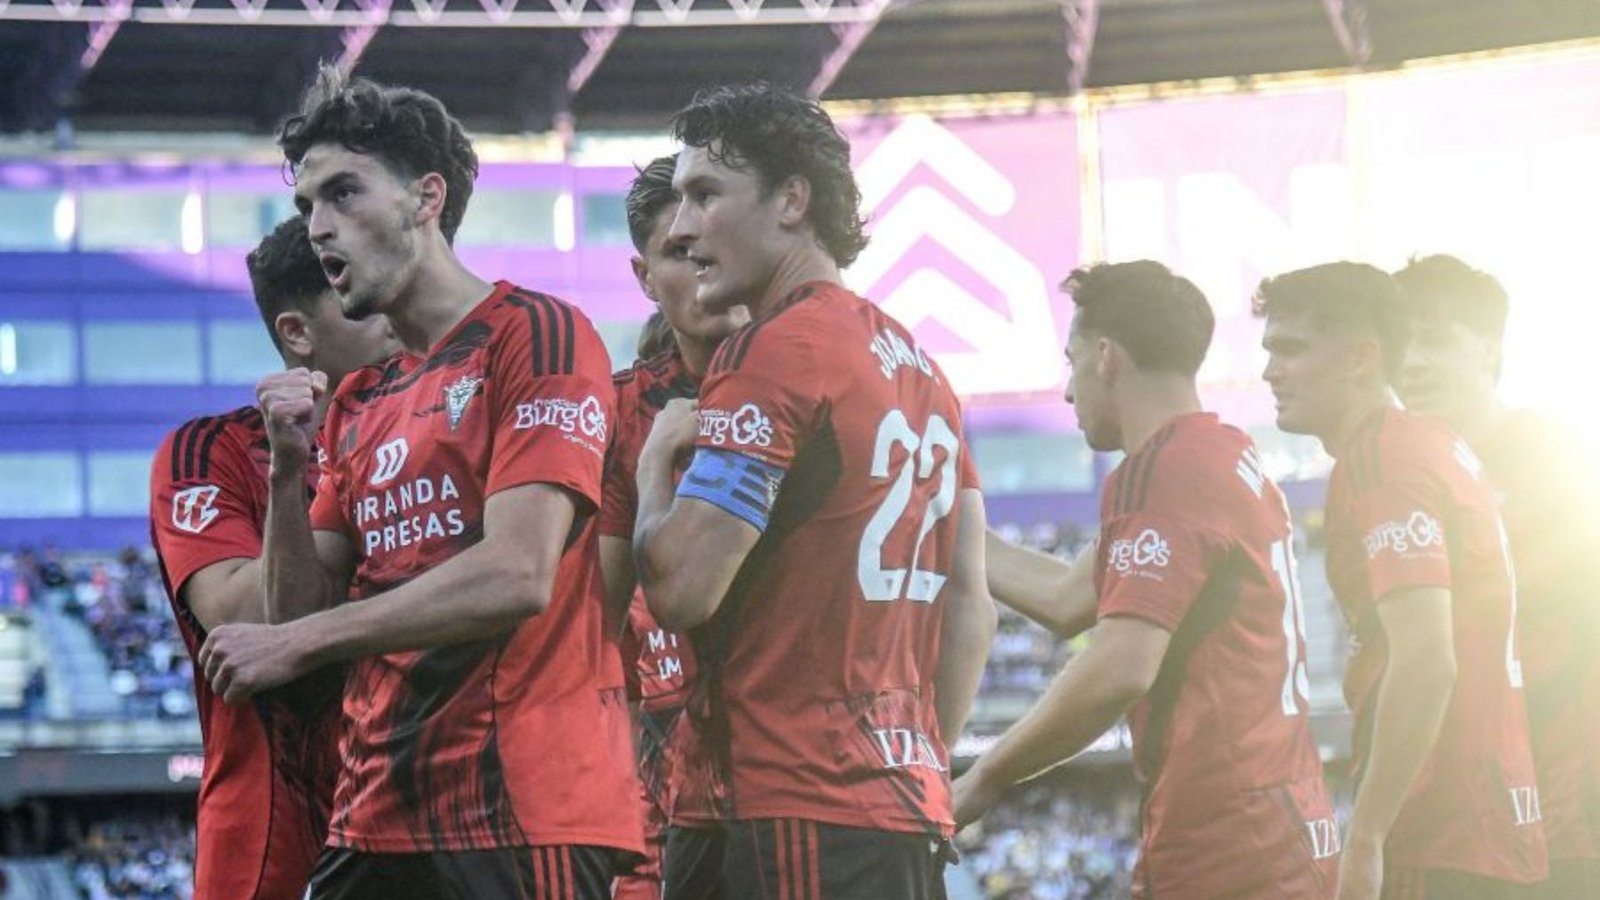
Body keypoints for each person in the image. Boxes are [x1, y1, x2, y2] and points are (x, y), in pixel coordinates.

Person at [195, 66, 642, 898]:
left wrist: (295, 641)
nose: (320, 229)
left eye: (344, 194)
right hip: (373, 819)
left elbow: (517, 573)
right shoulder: (360, 398)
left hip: (519, 817)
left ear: (426, 198)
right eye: (307, 208)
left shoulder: (536, 334)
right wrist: (288, 475)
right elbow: (297, 612)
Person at [630, 82, 996, 899]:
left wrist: (656, 468)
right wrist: (913, 763)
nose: (683, 228)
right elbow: (973, 605)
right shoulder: (922, 368)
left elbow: (685, 586)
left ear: (792, 199)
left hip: (781, 804)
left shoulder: (777, 350)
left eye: (704, 195)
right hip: (895, 804)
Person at [953, 261, 1339, 898]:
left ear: (1105, 357)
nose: (1068, 390)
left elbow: (1121, 666)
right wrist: (946, 527)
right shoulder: (1222, 452)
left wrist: (985, 776)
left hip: (1229, 841)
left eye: (1071, 359)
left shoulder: (1162, 469)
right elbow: (1068, 599)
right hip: (1277, 820)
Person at [1257, 262, 1547, 900]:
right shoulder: (1429, 442)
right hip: (1487, 825)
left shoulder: (1382, 460)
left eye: (1291, 349)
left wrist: (1366, 837)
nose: (1270, 371)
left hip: (1444, 830)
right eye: (1269, 351)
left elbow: (1425, 662)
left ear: (1361, 357)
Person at [148, 215, 396, 899]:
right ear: (296, 332)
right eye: (370, 310)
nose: (399, 324)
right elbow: (245, 627)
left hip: (425, 821)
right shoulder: (211, 453)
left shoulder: (443, 434)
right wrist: (293, 477)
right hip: (271, 841)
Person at [1395, 255, 1600, 898]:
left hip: (1563, 823)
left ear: (1488, 348)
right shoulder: (1401, 478)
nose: (1413, 363)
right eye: (1402, 344)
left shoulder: (1559, 459)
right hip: (1455, 826)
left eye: (1434, 339)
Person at [600, 157, 749, 900]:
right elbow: (587, 632)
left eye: (709, 249)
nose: (700, 271)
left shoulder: (822, 377)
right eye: (676, 254)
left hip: (815, 795)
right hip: (661, 825)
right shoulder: (611, 417)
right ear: (642, 274)